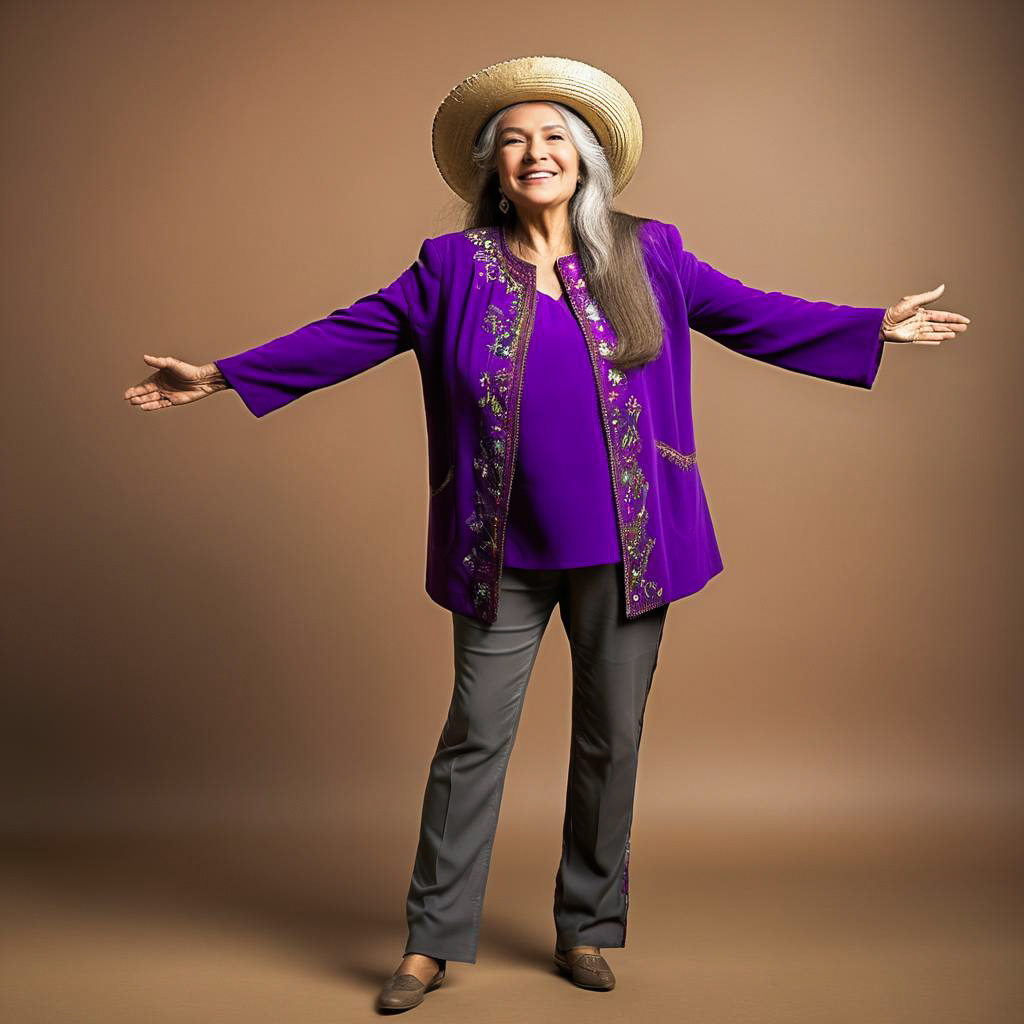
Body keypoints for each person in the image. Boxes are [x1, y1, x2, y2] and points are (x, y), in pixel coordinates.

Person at [123, 55, 970, 1014]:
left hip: (631, 547)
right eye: (516, 140)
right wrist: (224, 375)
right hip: (501, 547)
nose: (536, 152)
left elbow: (752, 315)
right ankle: (432, 940)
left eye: (555, 137)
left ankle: (586, 927)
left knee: (613, 741)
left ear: (589, 159)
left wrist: (870, 328)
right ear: (493, 167)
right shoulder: (450, 267)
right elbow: (348, 332)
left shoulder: (652, 253)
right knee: (474, 738)